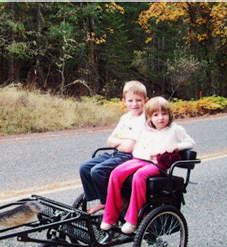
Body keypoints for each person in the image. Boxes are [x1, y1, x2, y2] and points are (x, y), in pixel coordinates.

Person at [100, 96, 195, 234]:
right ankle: (110, 217)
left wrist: (176, 146)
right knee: (116, 173)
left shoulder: (175, 129)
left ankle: (132, 220)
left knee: (139, 176)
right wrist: (148, 154)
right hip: (141, 159)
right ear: (149, 117)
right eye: (156, 115)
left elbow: (190, 143)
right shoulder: (146, 130)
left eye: (164, 114)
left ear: (169, 114)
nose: (160, 118)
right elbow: (137, 149)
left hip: (158, 165)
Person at [79, 81, 148, 215]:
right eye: (130, 100)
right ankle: (102, 199)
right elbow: (110, 140)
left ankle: (113, 202)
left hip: (131, 157)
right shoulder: (125, 118)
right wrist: (121, 142)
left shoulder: (144, 119)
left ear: (146, 101)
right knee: (85, 168)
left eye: (139, 100)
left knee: (97, 171)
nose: (134, 104)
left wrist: (119, 142)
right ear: (124, 101)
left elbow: (129, 148)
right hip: (117, 153)